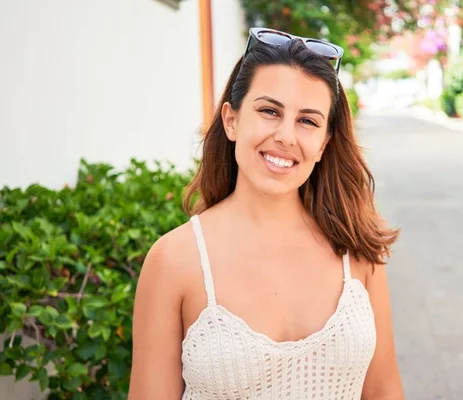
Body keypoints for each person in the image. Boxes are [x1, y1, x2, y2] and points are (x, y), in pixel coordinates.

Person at [128, 27, 404, 400]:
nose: (286, 136)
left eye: (307, 121)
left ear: (323, 144)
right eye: (269, 111)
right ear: (231, 120)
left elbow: (385, 391)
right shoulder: (175, 260)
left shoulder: (357, 251)